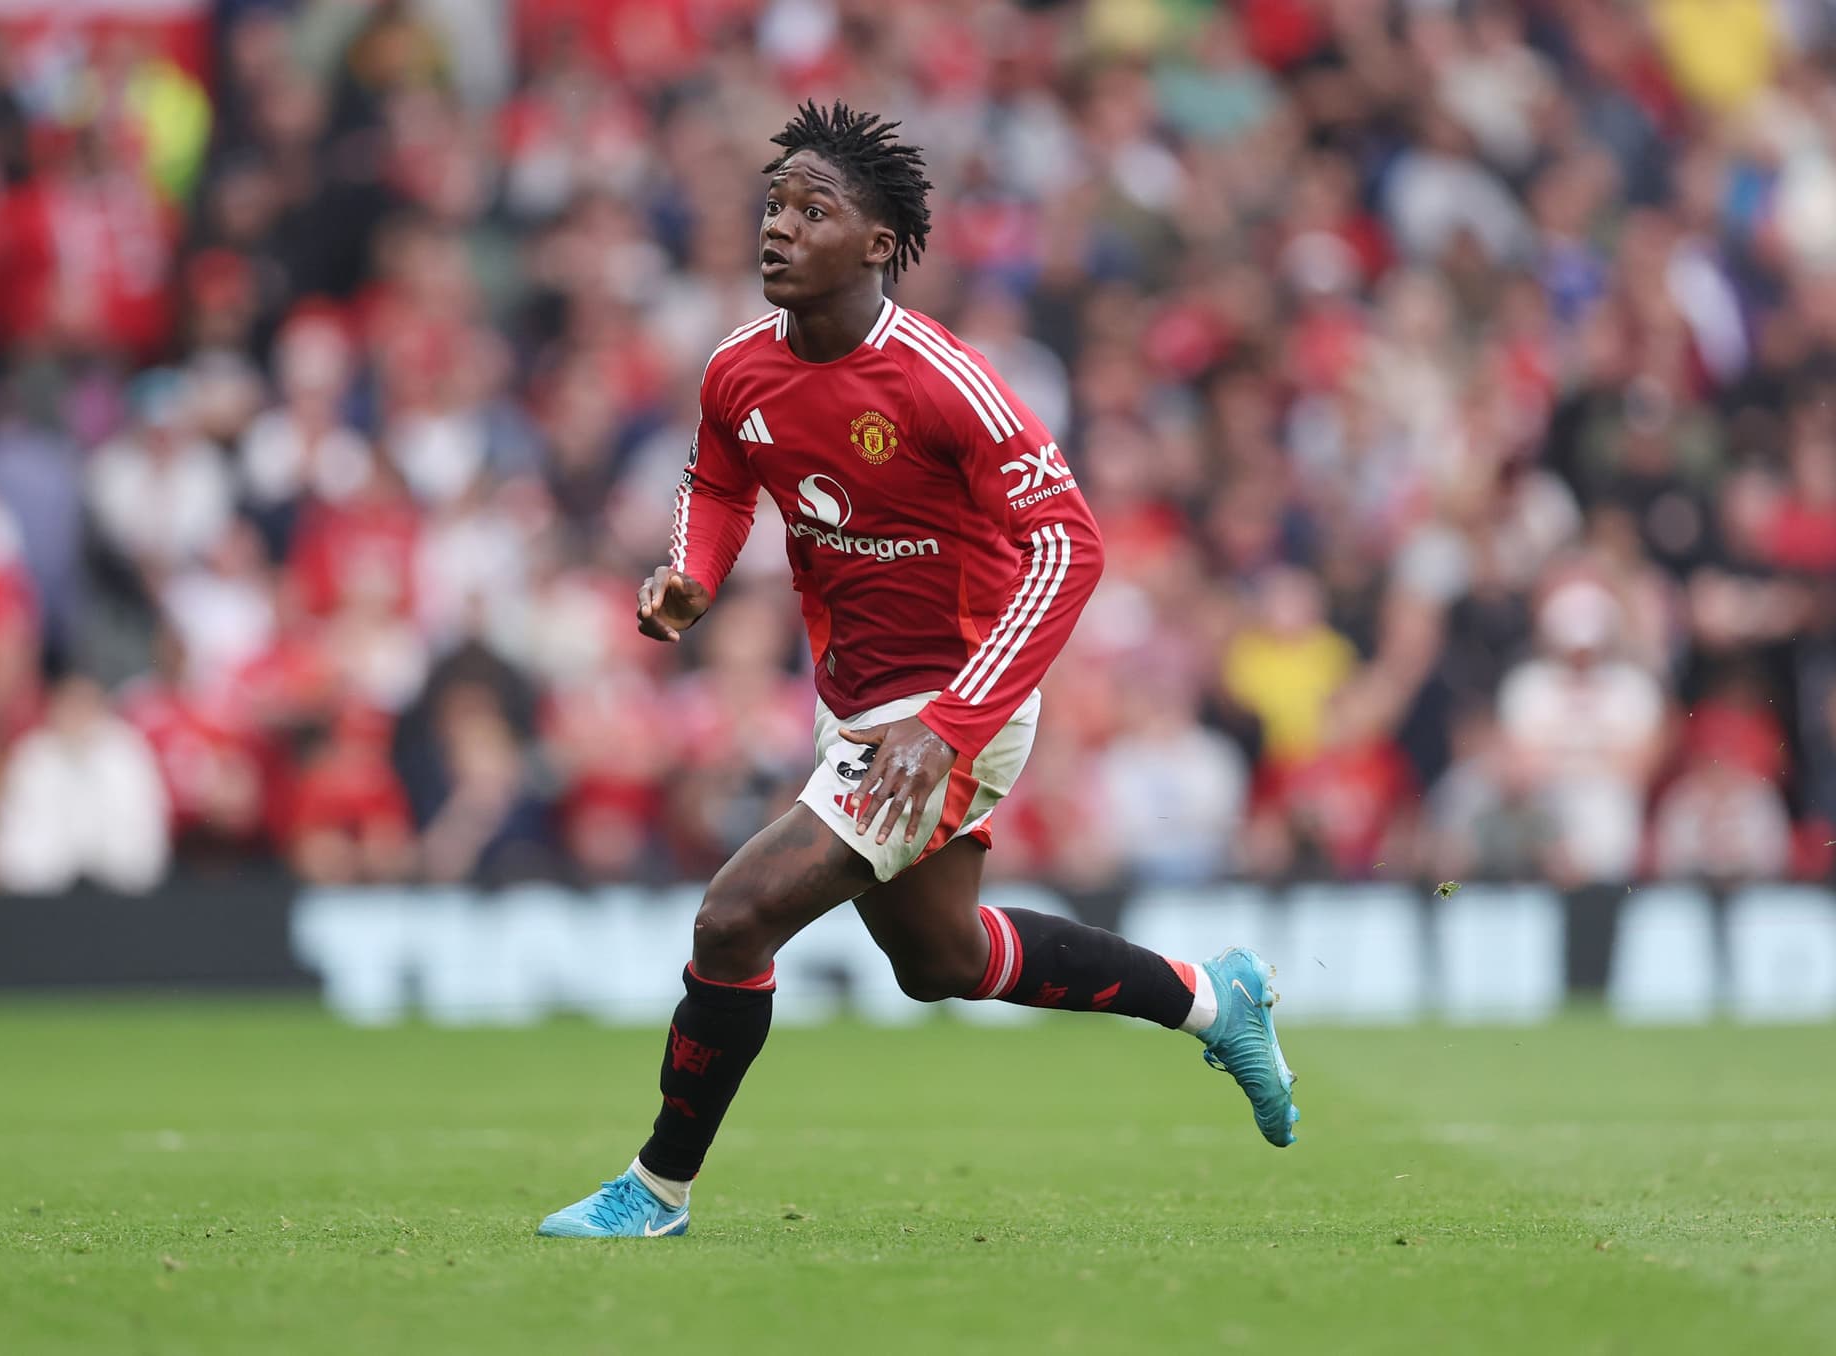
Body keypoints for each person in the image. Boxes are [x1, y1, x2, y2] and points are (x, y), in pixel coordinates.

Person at [538, 103, 1299, 1241]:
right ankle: (1210, 998)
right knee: (941, 959)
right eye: (775, 205)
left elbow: (1070, 544)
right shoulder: (740, 371)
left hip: (960, 699)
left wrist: (951, 719)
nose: (779, 228)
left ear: (880, 243)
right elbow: (718, 476)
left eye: (814, 210)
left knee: (733, 921)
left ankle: (655, 1192)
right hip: (859, 706)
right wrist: (691, 572)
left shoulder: (945, 382)